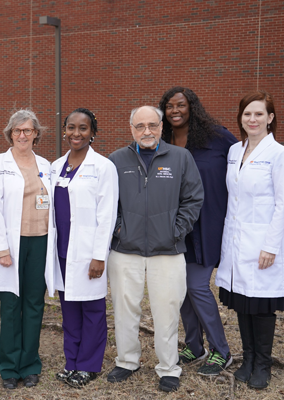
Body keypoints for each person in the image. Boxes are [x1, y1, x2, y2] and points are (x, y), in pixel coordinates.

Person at [107, 106, 204, 392]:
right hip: (126, 250)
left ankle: (168, 367)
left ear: (162, 127)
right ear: (131, 129)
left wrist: (175, 231)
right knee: (125, 310)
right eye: (140, 126)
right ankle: (126, 361)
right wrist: (119, 229)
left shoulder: (180, 157)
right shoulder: (116, 160)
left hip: (168, 250)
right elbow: (109, 202)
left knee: (167, 311)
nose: (146, 131)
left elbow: (193, 199)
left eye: (152, 125)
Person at [159, 87, 237, 375]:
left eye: (181, 105)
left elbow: (242, 166)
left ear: (192, 107)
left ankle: (222, 351)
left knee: (196, 286)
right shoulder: (162, 139)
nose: (175, 111)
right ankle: (194, 345)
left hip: (208, 223)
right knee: (180, 288)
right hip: (176, 224)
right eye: (169, 106)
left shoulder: (218, 137)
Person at [0, 109, 50, 390]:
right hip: (11, 244)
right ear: (10, 133)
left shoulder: (45, 164)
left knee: (34, 304)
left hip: (40, 241)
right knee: (10, 306)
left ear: (35, 134)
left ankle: (30, 365)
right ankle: (9, 367)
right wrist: (1, 249)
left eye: (28, 130)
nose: (22, 135)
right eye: (17, 131)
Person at [215, 90, 284, 389]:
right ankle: (249, 359)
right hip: (235, 239)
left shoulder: (278, 154)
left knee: (262, 305)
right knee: (242, 302)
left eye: (259, 114)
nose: (252, 119)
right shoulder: (233, 151)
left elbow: (283, 203)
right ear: (241, 118)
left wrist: (270, 246)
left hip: (262, 241)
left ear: (270, 119)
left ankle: (264, 365)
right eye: (247, 114)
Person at [45, 108, 118, 387]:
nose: (76, 133)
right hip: (62, 251)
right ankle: (71, 362)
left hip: (88, 253)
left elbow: (107, 214)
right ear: (64, 130)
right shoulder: (55, 166)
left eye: (83, 128)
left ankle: (88, 365)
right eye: (71, 127)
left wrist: (99, 256)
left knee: (92, 310)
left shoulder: (102, 167)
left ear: (93, 132)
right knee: (69, 310)